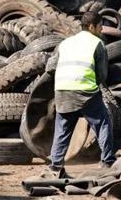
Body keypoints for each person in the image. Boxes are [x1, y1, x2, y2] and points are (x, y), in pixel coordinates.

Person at [46, 11, 115, 177]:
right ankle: (108, 161)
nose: (101, 30)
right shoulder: (97, 43)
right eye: (100, 26)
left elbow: (50, 66)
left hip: (62, 89)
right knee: (102, 123)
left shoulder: (65, 43)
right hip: (85, 90)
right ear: (92, 26)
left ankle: (55, 166)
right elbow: (102, 75)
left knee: (62, 129)